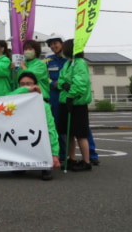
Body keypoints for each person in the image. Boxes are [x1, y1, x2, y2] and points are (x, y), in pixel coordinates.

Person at [45, 33, 99, 165]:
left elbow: (80, 82)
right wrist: (54, 83)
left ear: (63, 44)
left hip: (73, 96)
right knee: (61, 127)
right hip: (57, 96)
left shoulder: (73, 60)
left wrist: (70, 91)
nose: (53, 46)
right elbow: (43, 77)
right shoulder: (48, 60)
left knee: (82, 129)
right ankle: (65, 155)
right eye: (51, 44)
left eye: (55, 43)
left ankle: (91, 155)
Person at [10, 72, 60, 181]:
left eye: (29, 84)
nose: (26, 86)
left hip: (36, 139)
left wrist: (54, 154)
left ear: (36, 85)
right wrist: (26, 90)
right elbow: (7, 97)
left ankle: (45, 165)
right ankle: (21, 163)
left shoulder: (44, 106)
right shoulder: (13, 103)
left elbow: (51, 129)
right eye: (22, 84)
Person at [57, 39, 93, 172]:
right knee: (68, 133)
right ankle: (71, 158)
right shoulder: (68, 63)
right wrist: (63, 85)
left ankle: (86, 161)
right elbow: (60, 80)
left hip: (76, 103)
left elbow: (80, 84)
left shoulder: (79, 63)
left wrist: (70, 95)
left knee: (80, 134)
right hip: (66, 101)